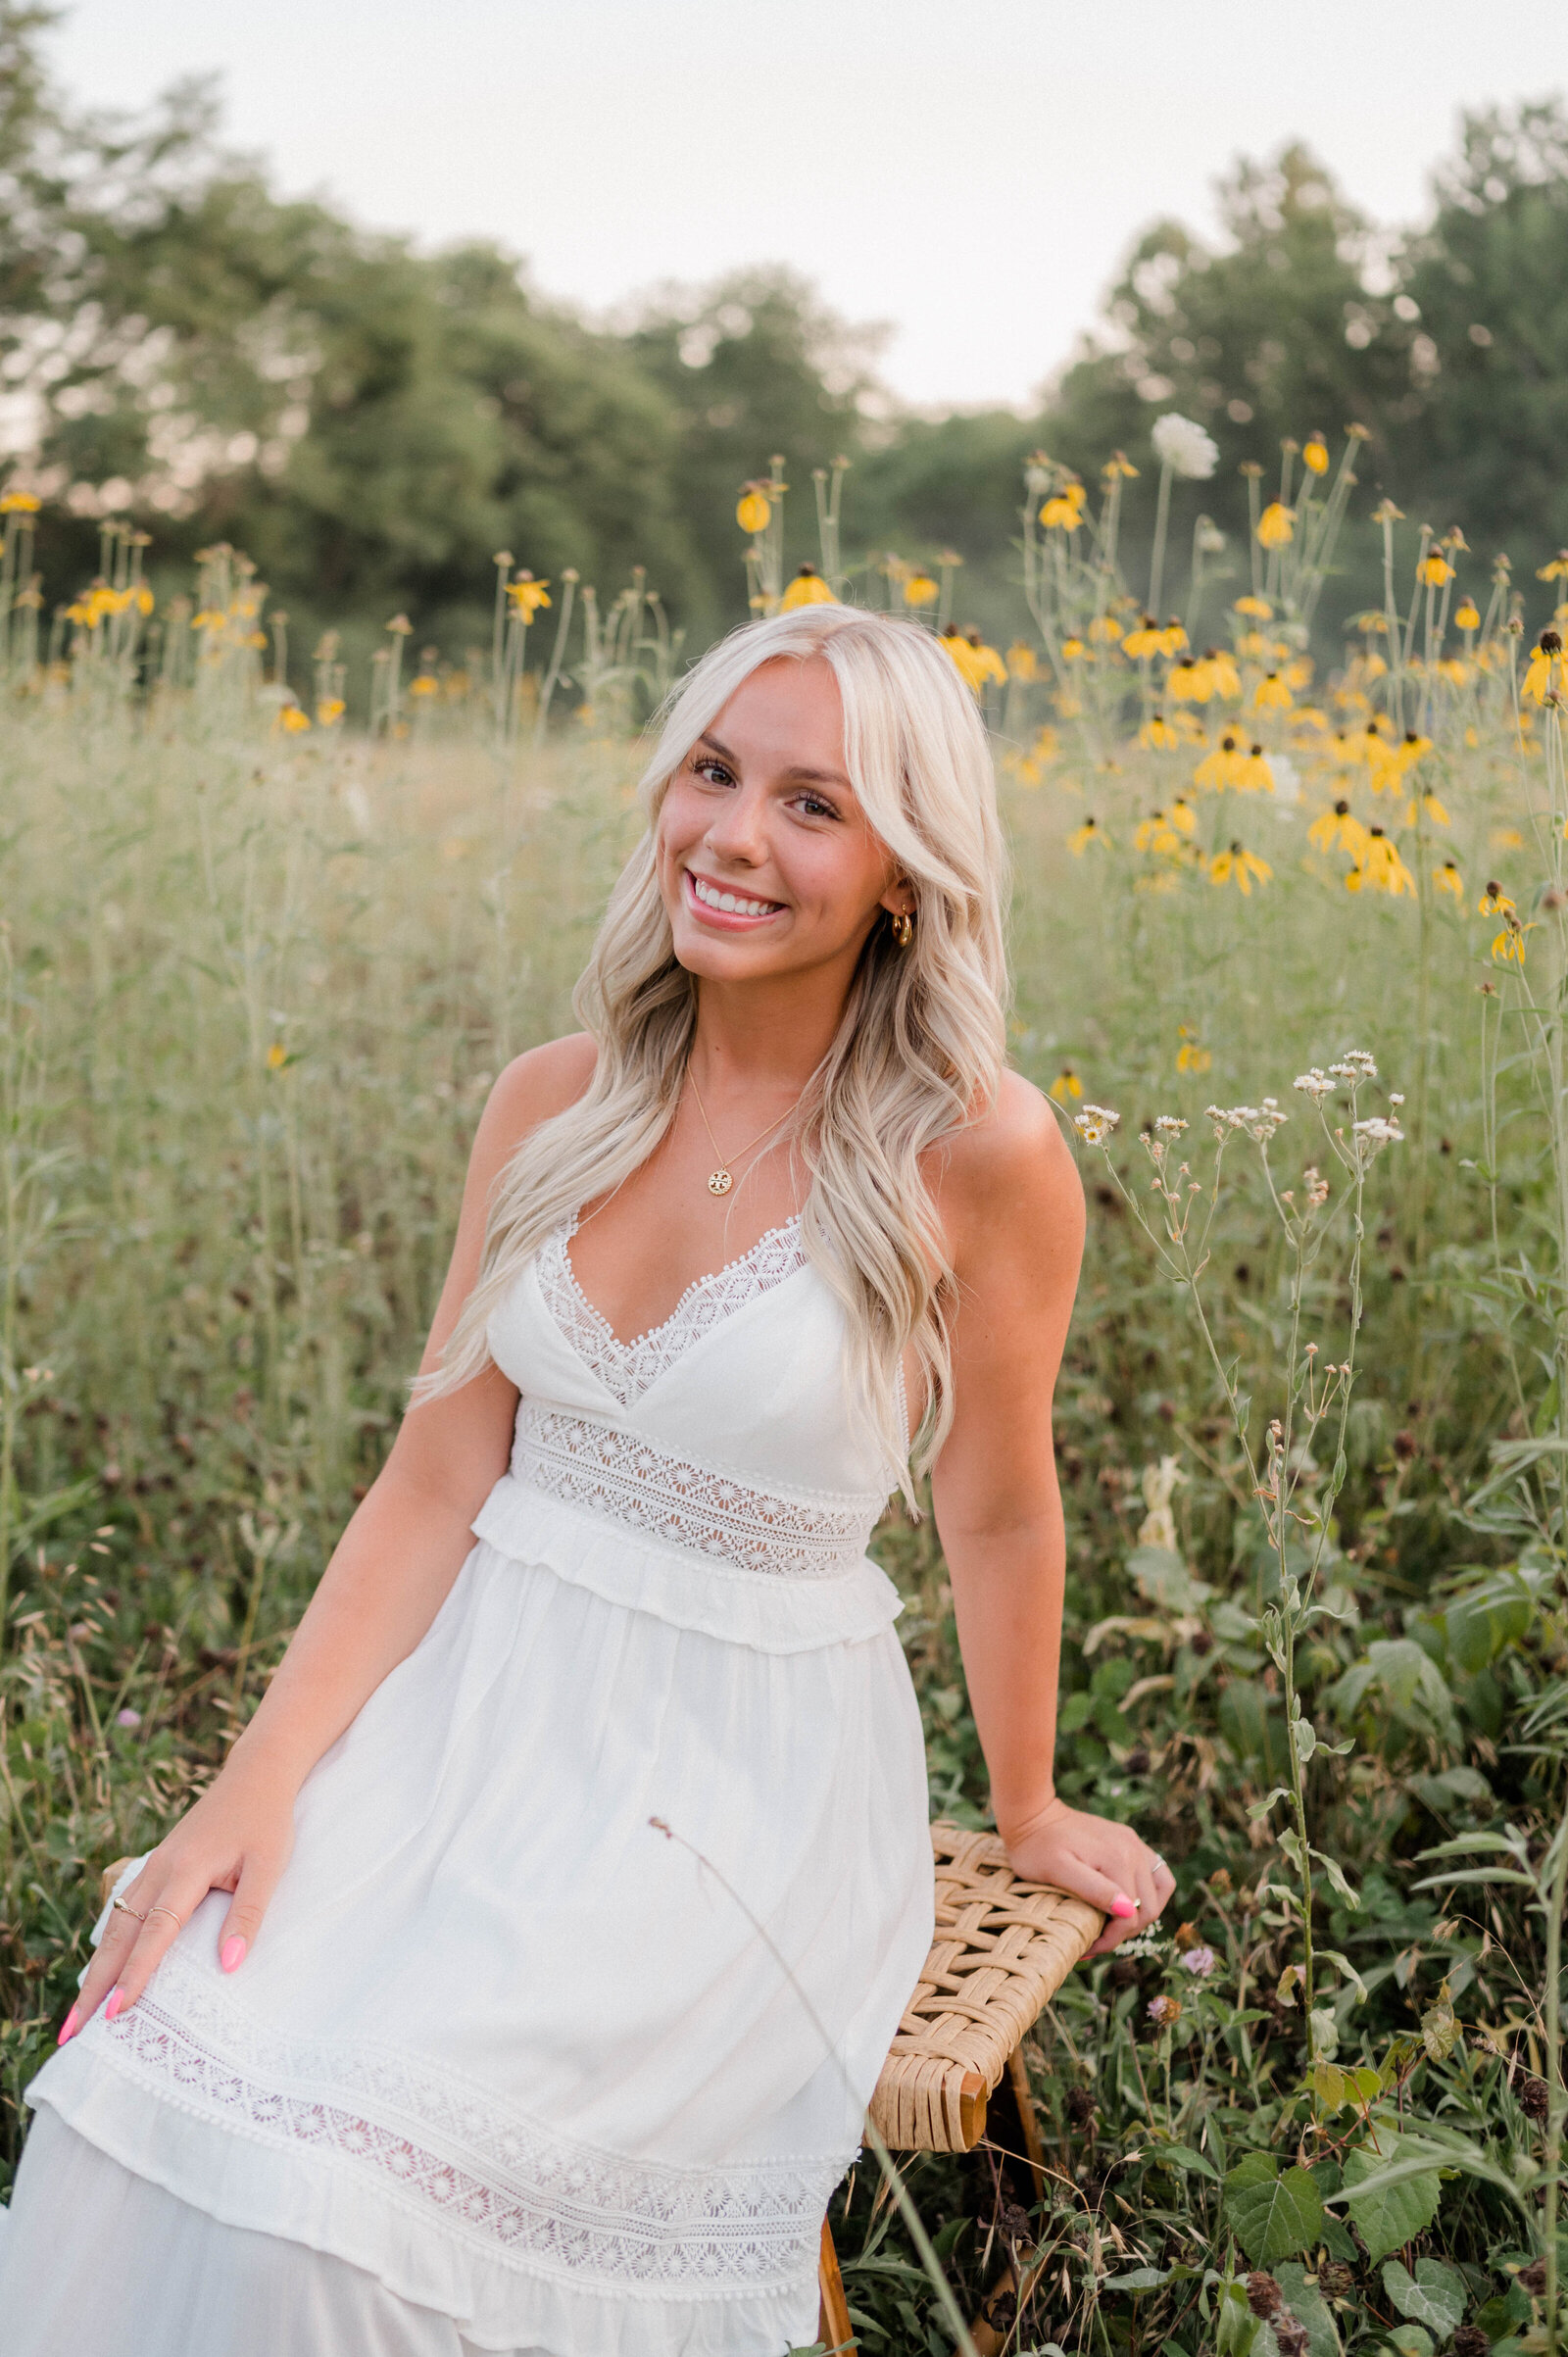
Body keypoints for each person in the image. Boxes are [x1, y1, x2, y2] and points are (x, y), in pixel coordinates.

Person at [2, 604, 1173, 2355]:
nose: (733, 836)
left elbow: (997, 1501)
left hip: (733, 1780)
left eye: (813, 804)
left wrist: (1026, 1806)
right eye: (714, 772)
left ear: (907, 873)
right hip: (470, 1709)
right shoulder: (555, 1100)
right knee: (151, 2095)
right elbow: (434, 1477)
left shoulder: (974, 1148)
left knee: (354, 2229)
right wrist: (251, 1790)